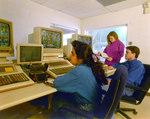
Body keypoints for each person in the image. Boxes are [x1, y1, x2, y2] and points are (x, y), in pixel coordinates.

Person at [51, 40, 108, 119]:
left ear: (81, 59)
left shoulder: (79, 71)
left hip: (84, 114)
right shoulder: (91, 66)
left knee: (56, 97)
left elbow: (57, 83)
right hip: (94, 108)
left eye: (73, 54)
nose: (69, 56)